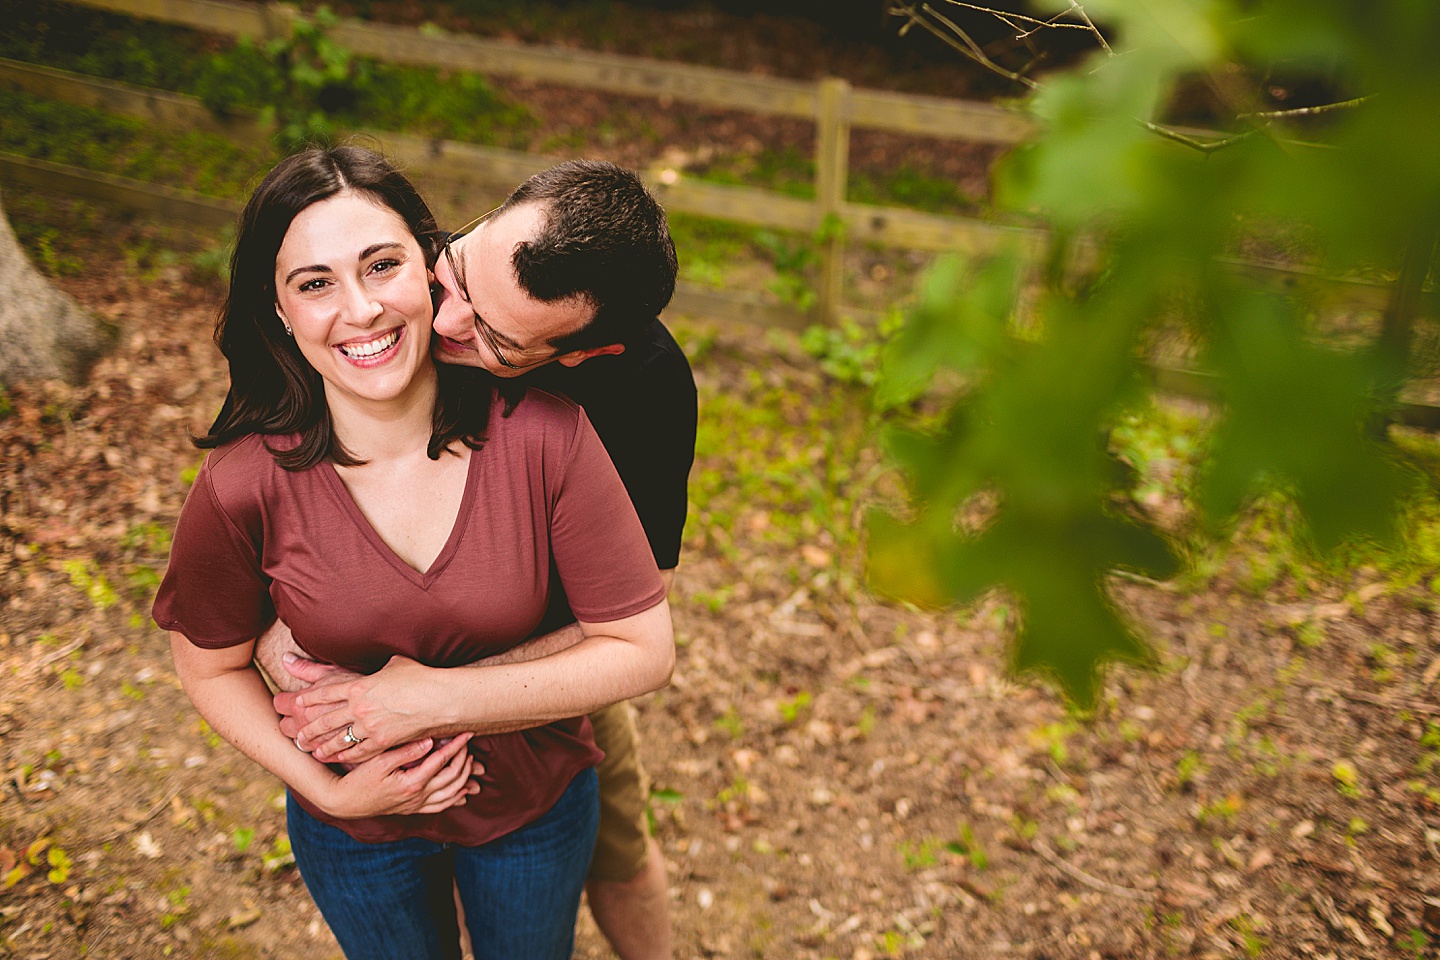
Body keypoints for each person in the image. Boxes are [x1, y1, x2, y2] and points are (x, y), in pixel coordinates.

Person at [153, 145, 675, 960]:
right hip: (357, 827)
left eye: (382, 266)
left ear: (571, 351)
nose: (364, 310)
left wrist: (422, 701)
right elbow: (206, 660)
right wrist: (331, 781)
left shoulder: (578, 420)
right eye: (316, 283)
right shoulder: (244, 480)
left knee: (607, 880)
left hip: (534, 799)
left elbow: (638, 633)